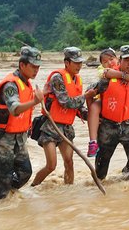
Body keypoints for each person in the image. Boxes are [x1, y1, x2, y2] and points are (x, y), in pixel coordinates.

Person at [31, 47, 97, 187]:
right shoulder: (58, 78)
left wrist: (91, 116)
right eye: (76, 62)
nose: (79, 66)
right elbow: (65, 102)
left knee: (69, 162)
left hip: (66, 128)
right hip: (51, 127)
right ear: (67, 63)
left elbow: (78, 107)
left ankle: (69, 191)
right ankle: (33, 187)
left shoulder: (77, 80)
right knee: (51, 165)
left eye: (80, 63)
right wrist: (86, 96)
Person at [87, 45, 129, 180]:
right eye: (127, 60)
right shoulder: (106, 79)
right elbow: (90, 93)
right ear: (120, 61)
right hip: (108, 127)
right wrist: (93, 113)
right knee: (101, 170)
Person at [0, 46, 44, 202]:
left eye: (38, 66)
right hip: (3, 140)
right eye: (33, 66)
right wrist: (35, 101)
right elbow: (15, 109)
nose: (36, 70)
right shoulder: (10, 85)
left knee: (25, 172)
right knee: (2, 184)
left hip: (19, 139)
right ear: (22, 65)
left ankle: (5, 195)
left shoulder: (27, 83)